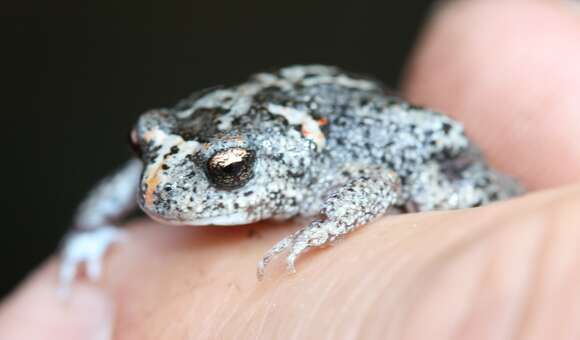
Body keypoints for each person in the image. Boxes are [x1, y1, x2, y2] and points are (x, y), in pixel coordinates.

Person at [2, 0, 580, 338]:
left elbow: (378, 180)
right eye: (143, 148)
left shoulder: (317, 169)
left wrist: (325, 228)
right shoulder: (177, 160)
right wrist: (89, 228)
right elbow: (150, 175)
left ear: (260, 164)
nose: (160, 187)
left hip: (431, 160)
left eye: (226, 170)